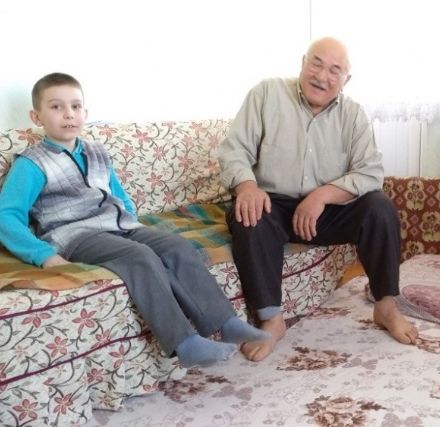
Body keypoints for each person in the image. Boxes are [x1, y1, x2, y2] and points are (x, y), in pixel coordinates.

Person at [0, 72, 270, 368]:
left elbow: (118, 195)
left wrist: (132, 222)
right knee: (140, 257)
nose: (68, 114)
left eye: (75, 106)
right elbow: (6, 216)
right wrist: (43, 255)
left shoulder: (97, 152)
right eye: (56, 107)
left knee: (177, 246)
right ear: (36, 116)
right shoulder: (32, 163)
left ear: (85, 112)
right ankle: (184, 343)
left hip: (120, 225)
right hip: (76, 236)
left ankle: (225, 322)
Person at [219, 37, 418, 362]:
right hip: (272, 205)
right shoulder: (266, 94)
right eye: (316, 63)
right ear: (303, 62)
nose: (322, 76)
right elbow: (234, 150)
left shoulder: (353, 115)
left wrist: (322, 195)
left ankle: (385, 306)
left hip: (326, 211)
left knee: (379, 207)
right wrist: (247, 186)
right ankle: (272, 319)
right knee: (248, 216)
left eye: (334, 70)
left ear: (346, 79)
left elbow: (370, 172)